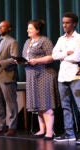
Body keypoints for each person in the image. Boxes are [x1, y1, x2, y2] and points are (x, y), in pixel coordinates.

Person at [22, 19, 60, 140]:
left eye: (30, 28)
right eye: (28, 28)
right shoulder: (28, 41)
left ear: (37, 30)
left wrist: (36, 61)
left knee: (46, 104)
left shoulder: (45, 40)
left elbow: (51, 57)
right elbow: (25, 56)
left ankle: (50, 131)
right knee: (38, 105)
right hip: (32, 76)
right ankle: (42, 129)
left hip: (44, 75)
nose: (28, 30)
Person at [52, 12, 80, 142]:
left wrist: (63, 55)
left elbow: (77, 57)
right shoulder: (60, 39)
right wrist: (66, 53)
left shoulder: (79, 38)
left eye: (67, 22)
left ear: (74, 24)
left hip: (75, 76)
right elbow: (54, 55)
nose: (64, 25)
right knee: (65, 106)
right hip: (62, 76)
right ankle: (70, 134)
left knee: (79, 105)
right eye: (63, 22)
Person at [0, 20, 19, 136]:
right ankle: (1, 126)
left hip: (8, 76)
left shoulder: (12, 42)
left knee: (11, 103)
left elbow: (15, 59)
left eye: (2, 27)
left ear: (9, 28)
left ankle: (12, 127)